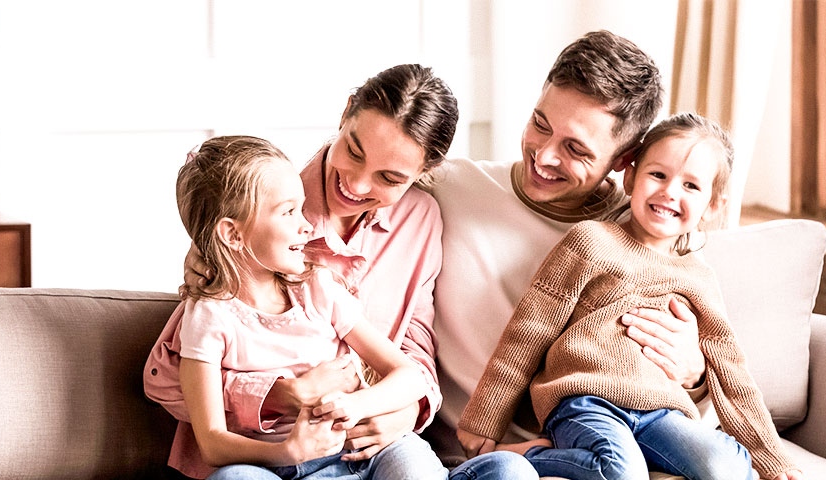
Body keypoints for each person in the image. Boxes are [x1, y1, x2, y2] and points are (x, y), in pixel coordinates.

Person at [145, 64, 537, 478]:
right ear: (346, 113)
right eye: (353, 150)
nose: (357, 184)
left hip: (364, 445)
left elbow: (415, 350)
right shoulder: (265, 212)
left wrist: (403, 410)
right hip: (266, 454)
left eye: (389, 177)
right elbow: (165, 376)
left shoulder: (419, 220)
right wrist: (283, 395)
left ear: (422, 175)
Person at [456, 113, 803, 480]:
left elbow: (733, 374)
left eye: (691, 186)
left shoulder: (699, 279)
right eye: (658, 175)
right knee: (623, 472)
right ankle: (524, 458)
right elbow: (529, 331)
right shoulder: (590, 242)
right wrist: (485, 420)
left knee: (727, 466)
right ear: (631, 176)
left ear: (713, 206)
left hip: (662, 414)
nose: (670, 191)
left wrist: (774, 462)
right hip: (585, 402)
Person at [428, 32, 713, 466]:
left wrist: (693, 374)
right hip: (470, 459)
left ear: (625, 160)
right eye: (540, 124)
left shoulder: (651, 234)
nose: (542, 157)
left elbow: (698, 418)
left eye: (575, 148)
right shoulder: (453, 187)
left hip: (595, 457)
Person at [167, 135, 448, 479]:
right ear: (233, 234)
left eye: (301, 208)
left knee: (413, 465)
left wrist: (355, 405)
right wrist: (286, 451)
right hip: (275, 465)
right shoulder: (208, 317)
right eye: (288, 212)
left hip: (361, 453)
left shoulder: (317, 287)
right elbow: (211, 443)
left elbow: (410, 375)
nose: (306, 225)